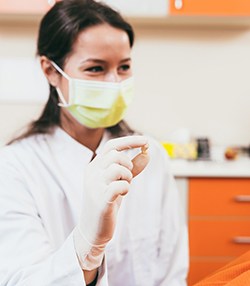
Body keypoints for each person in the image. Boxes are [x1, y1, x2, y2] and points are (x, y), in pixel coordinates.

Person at [0, 0, 188, 285]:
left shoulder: (152, 156)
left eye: (123, 67)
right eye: (95, 69)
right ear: (50, 71)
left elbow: (172, 272)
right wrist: (89, 245)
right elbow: (22, 279)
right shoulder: (15, 167)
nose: (114, 83)